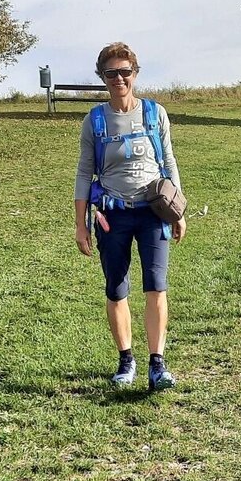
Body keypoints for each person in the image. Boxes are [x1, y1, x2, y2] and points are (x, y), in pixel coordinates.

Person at [74, 42, 186, 390]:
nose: (119, 78)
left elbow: (169, 162)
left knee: (156, 286)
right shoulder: (95, 121)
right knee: (116, 289)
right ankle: (126, 361)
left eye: (125, 71)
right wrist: (80, 225)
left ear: (135, 74)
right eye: (111, 73)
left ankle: (157, 365)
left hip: (153, 212)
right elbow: (84, 173)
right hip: (112, 215)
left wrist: (178, 211)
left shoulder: (155, 113)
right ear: (102, 77)